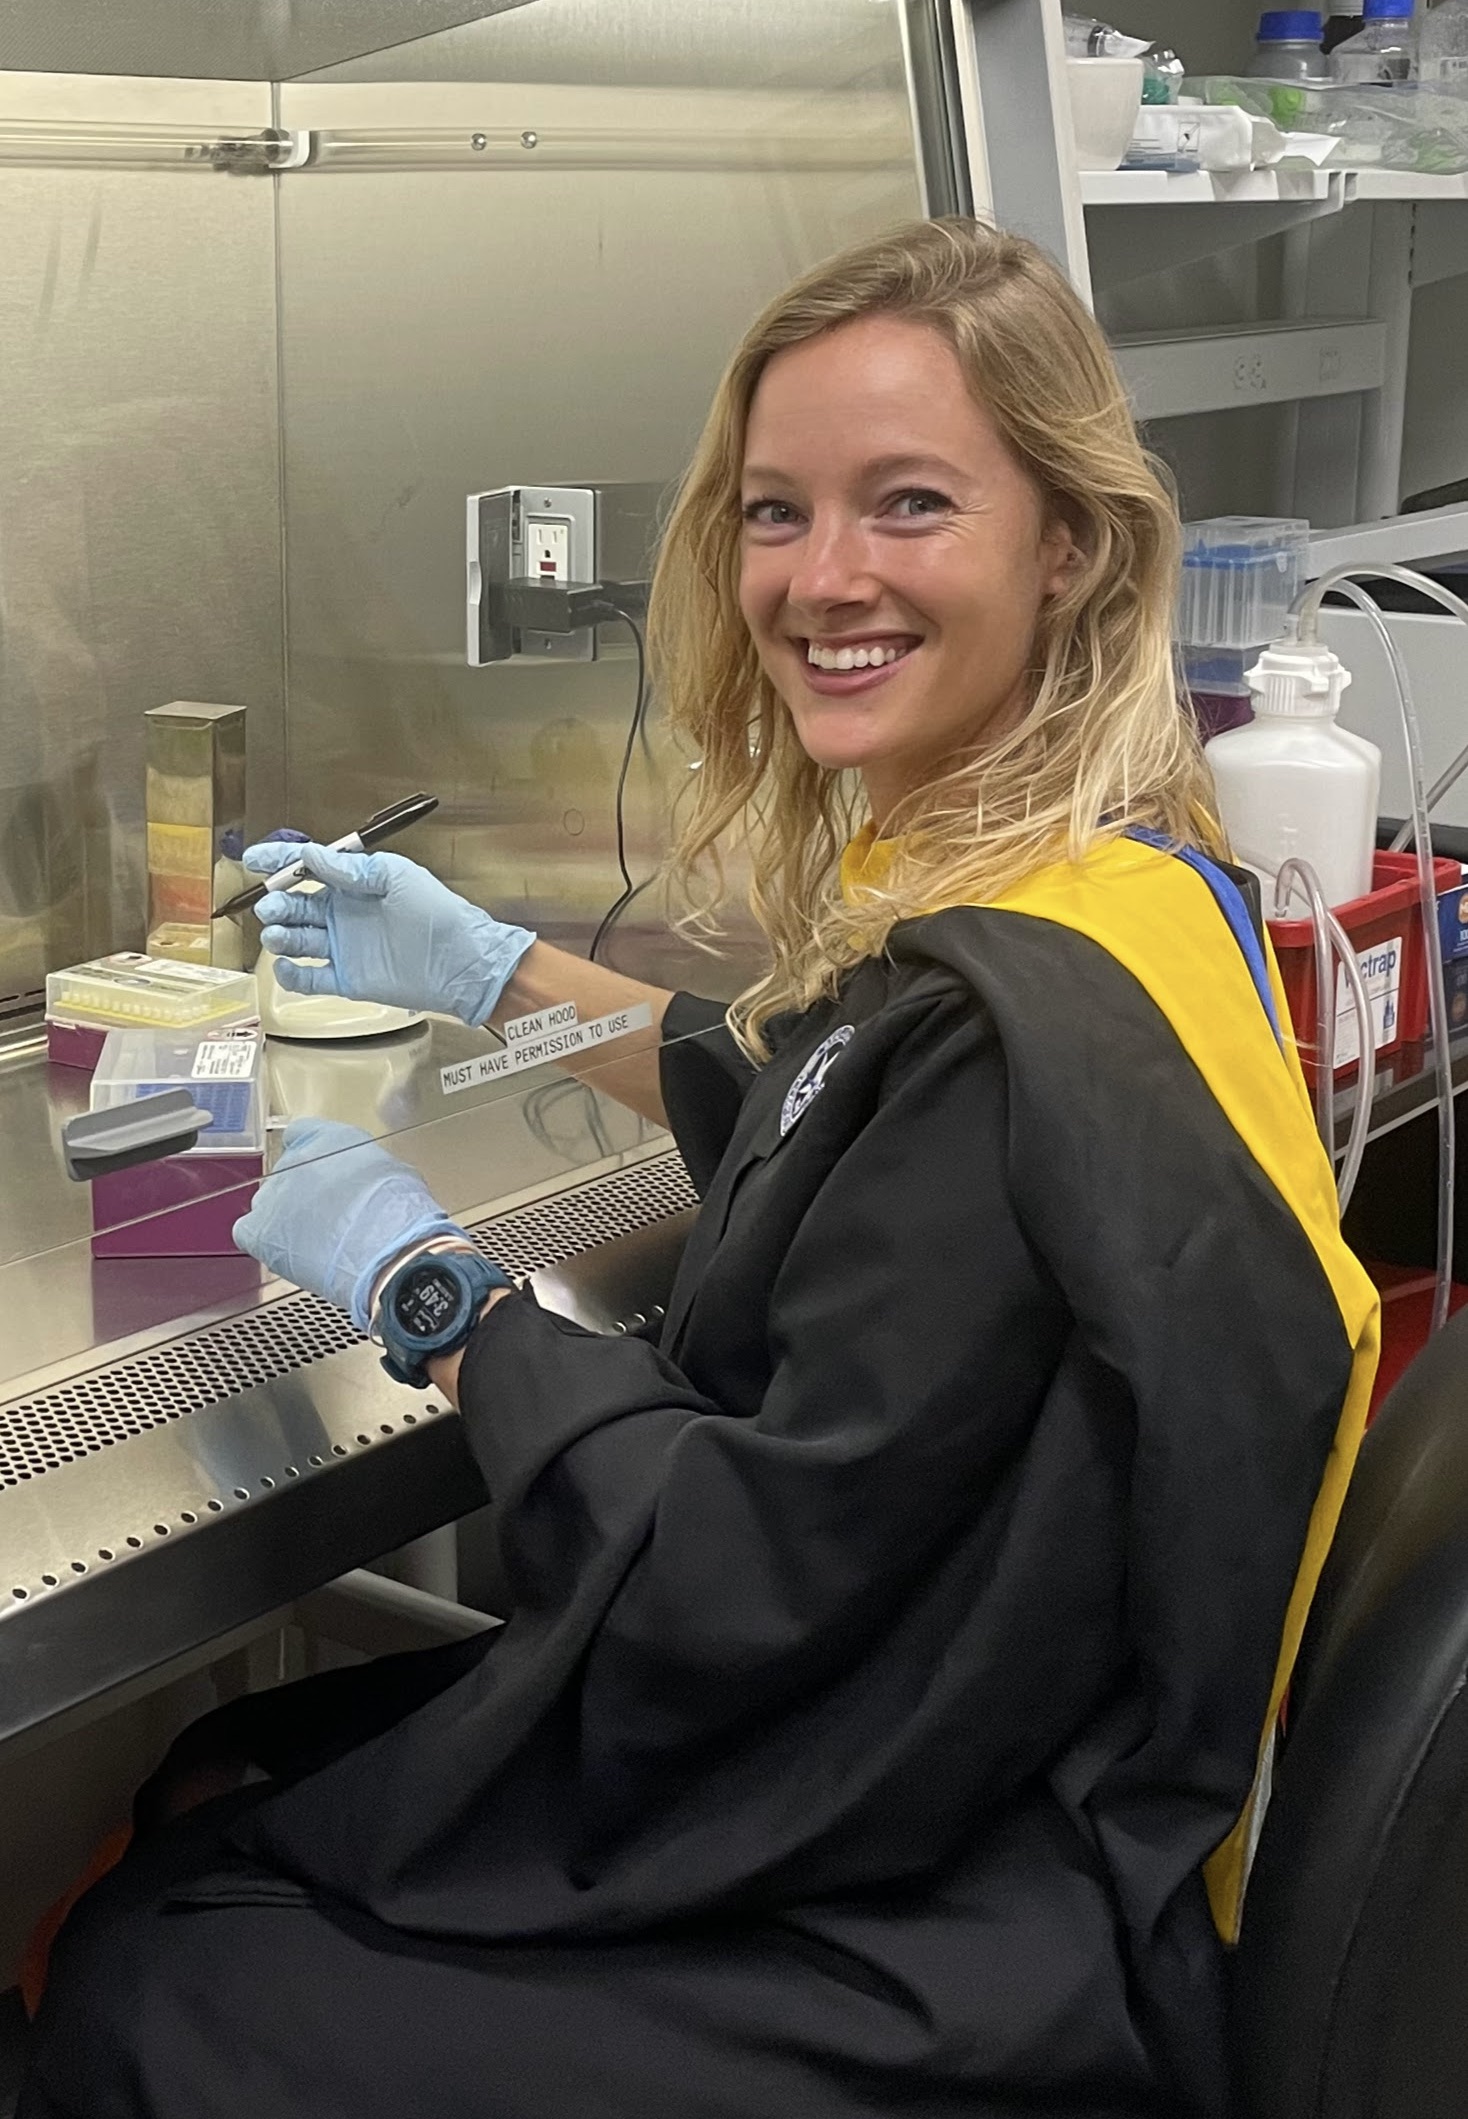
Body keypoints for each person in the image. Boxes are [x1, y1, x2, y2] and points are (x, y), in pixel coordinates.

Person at [21, 217, 1379, 2119]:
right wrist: (500, 969)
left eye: (909, 505)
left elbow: (729, 1586)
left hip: (963, 1893)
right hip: (990, 1751)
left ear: (1067, 544)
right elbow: (823, 1111)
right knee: (245, 1788)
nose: (823, 578)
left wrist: (444, 1300)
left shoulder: (1007, 1015)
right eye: (775, 513)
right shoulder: (1128, 894)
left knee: (160, 1969)